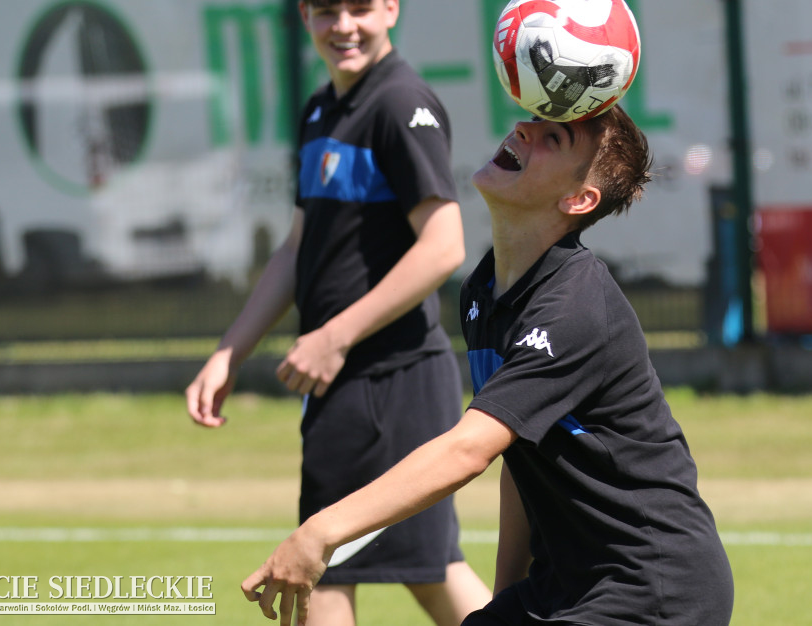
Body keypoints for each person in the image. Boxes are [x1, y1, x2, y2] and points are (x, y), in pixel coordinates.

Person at [240, 105, 736, 626]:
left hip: (650, 590)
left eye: (553, 138)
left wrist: (321, 531)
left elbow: (468, 450)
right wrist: (506, 603)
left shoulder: (576, 305)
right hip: (565, 586)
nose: (523, 130)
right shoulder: (483, 290)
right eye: (530, 122)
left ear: (578, 198)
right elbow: (520, 461)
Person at [185, 0, 491, 624]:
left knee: (369, 568)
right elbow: (299, 247)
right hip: (345, 387)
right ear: (304, 17)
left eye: (359, 8)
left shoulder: (401, 103)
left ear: (391, 8)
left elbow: (445, 247)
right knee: (359, 570)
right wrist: (229, 350)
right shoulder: (322, 111)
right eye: (327, 11)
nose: (344, 26)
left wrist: (333, 336)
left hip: (396, 380)